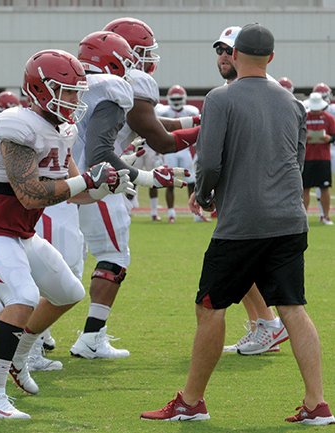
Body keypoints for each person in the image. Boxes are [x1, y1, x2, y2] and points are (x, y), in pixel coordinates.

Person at [141, 23, 335, 425]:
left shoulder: (219, 98)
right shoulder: (293, 103)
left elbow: (209, 162)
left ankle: (191, 401)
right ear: (271, 58)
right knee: (293, 307)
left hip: (244, 222)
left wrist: (205, 194)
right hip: (289, 220)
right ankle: (317, 403)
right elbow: (295, 163)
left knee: (210, 307)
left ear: (234, 54)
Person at [0, 49, 135, 419]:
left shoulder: (63, 130)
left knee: (68, 291)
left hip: (20, 233)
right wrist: (87, 179)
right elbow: (30, 194)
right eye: (67, 91)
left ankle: (19, 357)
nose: (74, 99)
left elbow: (78, 191)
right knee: (22, 297)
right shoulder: (16, 126)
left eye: (76, 92)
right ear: (39, 89)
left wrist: (110, 185)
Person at [69, 24, 193, 360]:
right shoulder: (124, 84)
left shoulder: (86, 82)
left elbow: (146, 124)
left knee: (67, 262)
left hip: (69, 181)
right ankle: (90, 337)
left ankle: (36, 338)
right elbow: (158, 137)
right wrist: (151, 176)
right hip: (98, 181)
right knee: (110, 258)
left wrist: (194, 123)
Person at [210, 25, 288, 356]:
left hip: (257, 199)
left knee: (243, 270)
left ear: (242, 53)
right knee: (249, 270)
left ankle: (269, 324)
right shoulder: (228, 93)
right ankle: (263, 325)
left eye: (229, 49)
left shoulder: (260, 93)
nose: (224, 56)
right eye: (219, 50)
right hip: (241, 196)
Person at [156, 85, 205, 223]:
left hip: (185, 150)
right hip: (170, 149)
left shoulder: (191, 110)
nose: (176, 101)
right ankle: (171, 214)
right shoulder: (162, 111)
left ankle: (196, 214)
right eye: (174, 98)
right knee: (170, 182)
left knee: (191, 182)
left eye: (179, 98)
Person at [301, 92, 335, 225]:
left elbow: (334, 135)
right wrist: (305, 137)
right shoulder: (304, 117)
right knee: (305, 188)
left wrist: (329, 139)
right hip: (307, 157)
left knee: (324, 188)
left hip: (323, 157)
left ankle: (325, 216)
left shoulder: (328, 118)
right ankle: (303, 217)